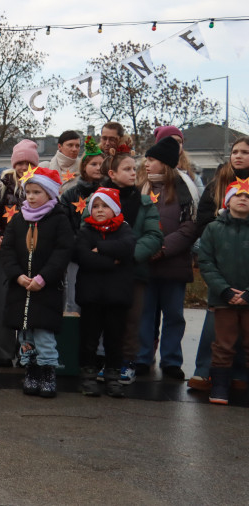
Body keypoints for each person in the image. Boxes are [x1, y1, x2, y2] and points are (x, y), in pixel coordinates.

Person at [1, 167, 74, 398]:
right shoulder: (18, 219)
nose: (31, 197)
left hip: (46, 289)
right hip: (21, 288)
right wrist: (17, 275)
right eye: (28, 192)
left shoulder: (59, 219)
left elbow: (63, 252)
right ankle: (30, 370)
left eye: (37, 192)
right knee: (25, 335)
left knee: (44, 335)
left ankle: (47, 372)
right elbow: (8, 250)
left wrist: (43, 278)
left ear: (50, 194)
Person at [189, 137, 249, 390]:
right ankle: (205, 371)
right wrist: (216, 229)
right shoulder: (217, 183)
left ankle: (239, 376)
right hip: (220, 256)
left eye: (245, 152)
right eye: (235, 151)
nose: (238, 156)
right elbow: (202, 216)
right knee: (217, 324)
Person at [136, 136, 198, 380]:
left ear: (164, 163)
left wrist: (162, 248)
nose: (146, 164)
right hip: (145, 264)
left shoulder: (184, 188)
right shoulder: (140, 187)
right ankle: (142, 357)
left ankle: (171, 360)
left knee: (174, 315)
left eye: (151, 160)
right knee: (145, 313)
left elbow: (190, 226)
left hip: (173, 263)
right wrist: (145, 248)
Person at [101, 147, 164, 384]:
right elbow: (88, 231)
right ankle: (105, 361)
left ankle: (127, 362)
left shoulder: (145, 203)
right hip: (103, 270)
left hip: (132, 271)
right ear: (112, 173)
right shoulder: (98, 200)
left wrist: (127, 256)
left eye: (134, 169)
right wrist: (105, 255)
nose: (133, 173)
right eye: (126, 169)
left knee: (131, 319)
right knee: (103, 318)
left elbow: (153, 237)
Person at [73, 188, 137, 398]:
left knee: (114, 339)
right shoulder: (85, 230)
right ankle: (88, 377)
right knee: (89, 339)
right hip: (91, 296)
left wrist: (99, 247)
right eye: (96, 206)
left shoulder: (124, 229)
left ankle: (113, 377)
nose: (100, 210)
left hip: (117, 296)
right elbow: (82, 256)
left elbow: (127, 248)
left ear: (115, 208)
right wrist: (113, 260)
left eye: (105, 206)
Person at [0, 139, 39, 366]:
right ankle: (4, 352)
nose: (23, 167)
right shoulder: (0, 188)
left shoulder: (41, 187)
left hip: (32, 253)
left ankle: (28, 352)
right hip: (4, 254)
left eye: (28, 163)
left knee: (29, 304)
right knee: (3, 302)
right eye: (20, 162)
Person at [198, 181, 249, 405]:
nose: (243, 199)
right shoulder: (214, 228)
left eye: (248, 196)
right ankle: (219, 385)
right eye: (238, 195)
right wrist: (225, 290)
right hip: (223, 299)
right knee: (223, 343)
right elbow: (206, 262)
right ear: (227, 201)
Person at [59, 136, 106, 314]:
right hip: (76, 256)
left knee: (99, 304)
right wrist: (80, 247)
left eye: (101, 164)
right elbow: (64, 226)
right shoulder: (70, 194)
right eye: (93, 164)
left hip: (102, 254)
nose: (97, 168)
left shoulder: (110, 193)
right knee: (73, 301)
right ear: (84, 166)